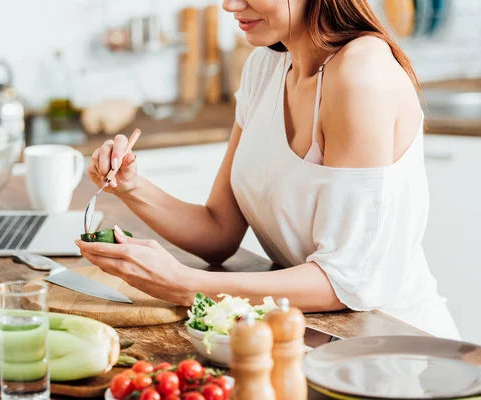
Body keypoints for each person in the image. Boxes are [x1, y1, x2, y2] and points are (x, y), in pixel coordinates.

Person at [76, 0, 459, 339]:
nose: (230, 5)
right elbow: (219, 230)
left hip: (395, 346)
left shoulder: (361, 72)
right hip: (314, 335)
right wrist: (131, 187)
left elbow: (351, 282)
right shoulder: (266, 66)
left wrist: (184, 284)